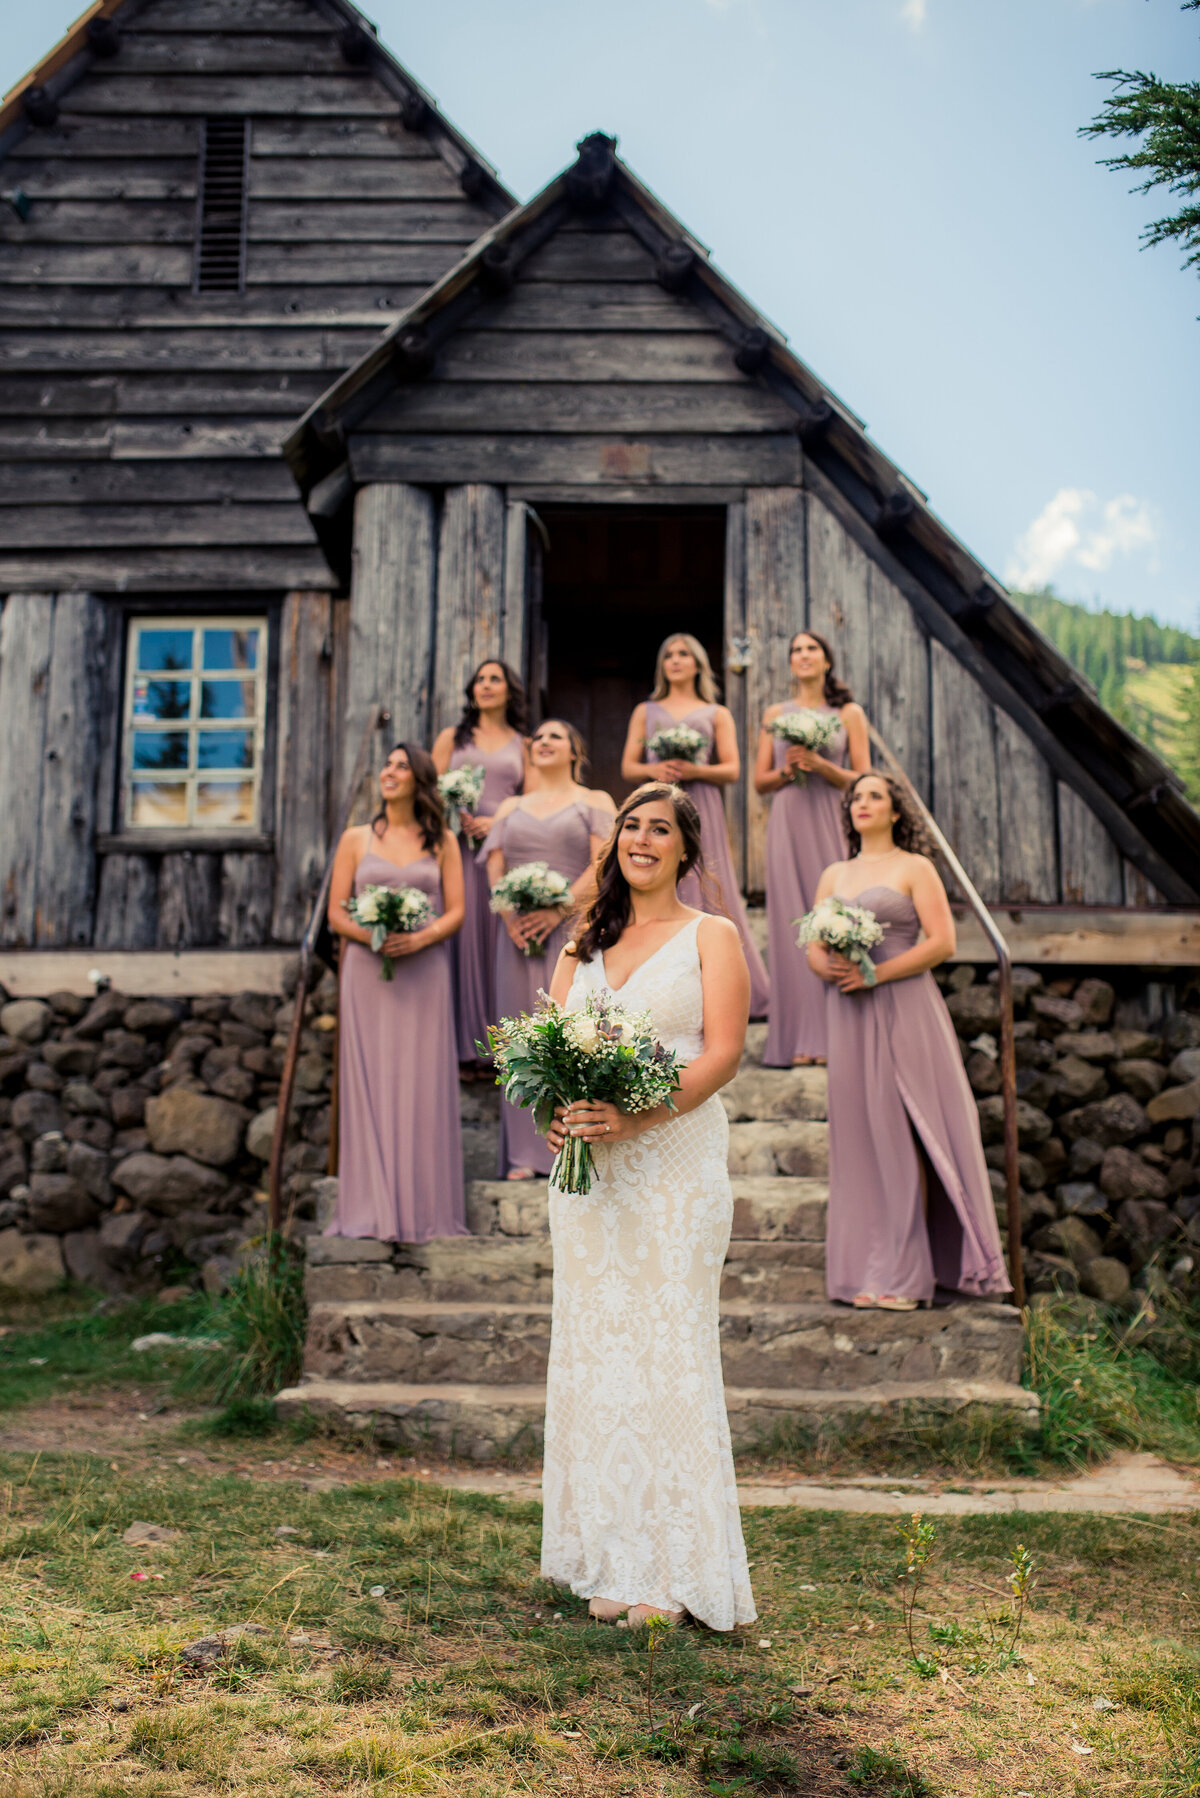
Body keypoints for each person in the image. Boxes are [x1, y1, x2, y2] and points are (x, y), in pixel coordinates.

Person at [541, 781, 755, 1632]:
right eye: (631, 825)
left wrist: (635, 1116)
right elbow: (551, 1050)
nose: (642, 839)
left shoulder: (713, 936)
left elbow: (725, 1055)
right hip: (593, 1179)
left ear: (684, 850)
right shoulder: (577, 945)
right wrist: (557, 1117)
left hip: (676, 1164)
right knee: (600, 1353)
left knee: (670, 1349)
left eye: (660, 829)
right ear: (615, 842)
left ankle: (673, 1572)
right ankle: (612, 1557)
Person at [807, 770, 1010, 1309]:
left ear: (897, 811)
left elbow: (942, 942)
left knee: (904, 1132)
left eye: (875, 796)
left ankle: (905, 1275)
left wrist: (877, 973)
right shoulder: (834, 873)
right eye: (856, 797)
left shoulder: (915, 867)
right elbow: (811, 945)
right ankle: (862, 1273)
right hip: (847, 1012)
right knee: (858, 1138)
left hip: (903, 1005)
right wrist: (830, 967)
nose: (862, 804)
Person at [324, 743, 467, 1244]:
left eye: (402, 766)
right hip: (367, 969)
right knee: (372, 1078)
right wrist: (375, 937)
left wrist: (420, 937)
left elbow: (456, 910)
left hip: (426, 969)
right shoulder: (355, 839)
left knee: (421, 1080)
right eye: (387, 764)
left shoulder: (442, 840)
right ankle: (369, 1207)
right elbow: (337, 913)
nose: (390, 772)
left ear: (419, 780)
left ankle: (425, 1211)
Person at [484, 719, 615, 1180]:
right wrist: (511, 919)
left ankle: (573, 1142)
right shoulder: (510, 806)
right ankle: (524, 1153)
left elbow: (603, 862)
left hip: (571, 930)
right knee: (518, 1034)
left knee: (570, 1029)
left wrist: (558, 909)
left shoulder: (594, 801)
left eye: (555, 737)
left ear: (574, 751)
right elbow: (495, 866)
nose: (543, 743)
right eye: (537, 738)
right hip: (517, 936)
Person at [621, 632, 770, 1018]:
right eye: (669, 654)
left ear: (698, 664)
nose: (676, 660)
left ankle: (725, 979)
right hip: (656, 802)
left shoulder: (715, 713)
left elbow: (733, 769)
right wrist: (656, 769)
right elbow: (628, 766)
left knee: (704, 878)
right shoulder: (646, 711)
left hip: (700, 804)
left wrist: (694, 769)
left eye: (684, 654)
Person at [755, 630, 870, 1068]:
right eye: (796, 651)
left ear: (827, 661)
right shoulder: (774, 713)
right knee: (792, 925)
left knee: (832, 918)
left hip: (831, 818)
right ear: (791, 663)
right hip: (788, 817)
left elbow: (862, 779)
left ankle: (837, 1035)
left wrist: (822, 766)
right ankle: (796, 1038)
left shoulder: (848, 714)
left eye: (812, 649)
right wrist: (789, 771)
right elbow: (759, 781)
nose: (803, 656)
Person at [433, 659, 531, 1079]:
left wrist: (499, 822)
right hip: (457, 849)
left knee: (496, 944)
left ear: (510, 690)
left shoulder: (524, 744)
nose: (486, 685)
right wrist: (455, 817)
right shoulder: (451, 739)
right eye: (480, 679)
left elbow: (532, 801)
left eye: (496, 679)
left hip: (502, 854)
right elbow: (428, 793)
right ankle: (459, 1047)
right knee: (460, 941)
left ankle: (498, 1048)